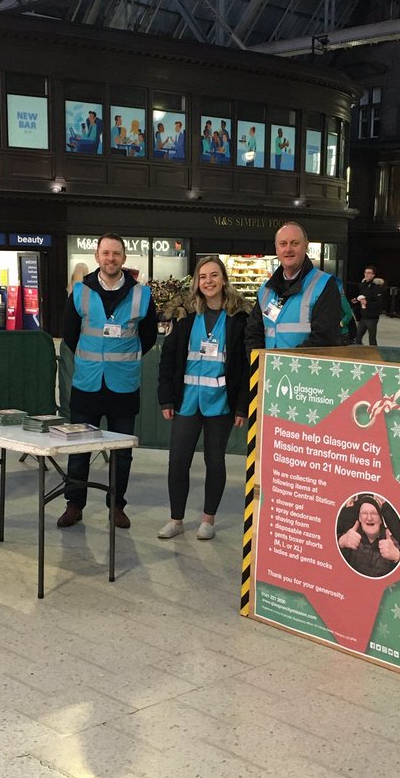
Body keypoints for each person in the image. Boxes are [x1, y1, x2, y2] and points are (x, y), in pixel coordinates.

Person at [58, 233, 157, 529]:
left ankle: (116, 505)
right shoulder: (80, 291)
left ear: (124, 259)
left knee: (121, 453)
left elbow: (149, 336)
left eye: (116, 254)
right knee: (78, 450)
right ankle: (74, 505)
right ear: (97, 257)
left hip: (123, 385)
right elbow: (70, 333)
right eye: (105, 253)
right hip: (86, 383)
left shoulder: (141, 294)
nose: (110, 258)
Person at [156, 256, 249, 540]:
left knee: (215, 461)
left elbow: (244, 367)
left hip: (220, 404)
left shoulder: (239, 319)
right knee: (178, 461)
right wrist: (166, 399)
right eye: (203, 276)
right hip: (187, 403)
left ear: (223, 279)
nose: (208, 281)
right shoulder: (185, 315)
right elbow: (169, 358)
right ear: (196, 282)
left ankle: (208, 519)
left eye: (214, 275)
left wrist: (241, 406)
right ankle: (176, 519)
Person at [245, 222, 345, 352]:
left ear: (306, 246)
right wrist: (259, 365)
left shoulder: (324, 285)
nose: (288, 249)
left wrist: (285, 365)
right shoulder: (266, 290)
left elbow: (324, 339)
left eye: (294, 243)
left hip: (303, 370)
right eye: (283, 244)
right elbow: (253, 333)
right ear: (276, 249)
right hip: (268, 370)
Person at [337, 495, 400, 578]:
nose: (369, 518)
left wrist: (397, 557)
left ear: (380, 520)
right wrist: (340, 542)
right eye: (364, 513)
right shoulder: (350, 537)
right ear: (360, 518)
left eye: (374, 513)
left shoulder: (389, 541)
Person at [354, 266, 385, 346]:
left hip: (372, 317)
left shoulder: (376, 287)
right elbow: (362, 296)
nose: (366, 274)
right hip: (362, 316)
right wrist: (356, 300)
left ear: (373, 275)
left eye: (369, 273)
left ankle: (374, 354)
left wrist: (367, 303)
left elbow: (379, 303)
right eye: (365, 272)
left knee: (372, 339)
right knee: (357, 338)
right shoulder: (363, 285)